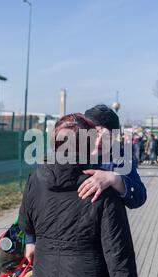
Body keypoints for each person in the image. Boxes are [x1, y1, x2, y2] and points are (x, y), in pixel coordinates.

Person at [18, 113, 138, 277]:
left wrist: (32, 241)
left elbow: (26, 223)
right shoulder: (101, 189)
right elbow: (119, 254)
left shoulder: (35, 180)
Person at [24, 105, 147, 263]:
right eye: (95, 134)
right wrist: (30, 239)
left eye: (107, 136)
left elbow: (139, 196)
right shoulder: (65, 152)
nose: (100, 141)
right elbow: (37, 196)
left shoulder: (120, 158)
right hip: (55, 237)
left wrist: (114, 179)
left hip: (95, 244)